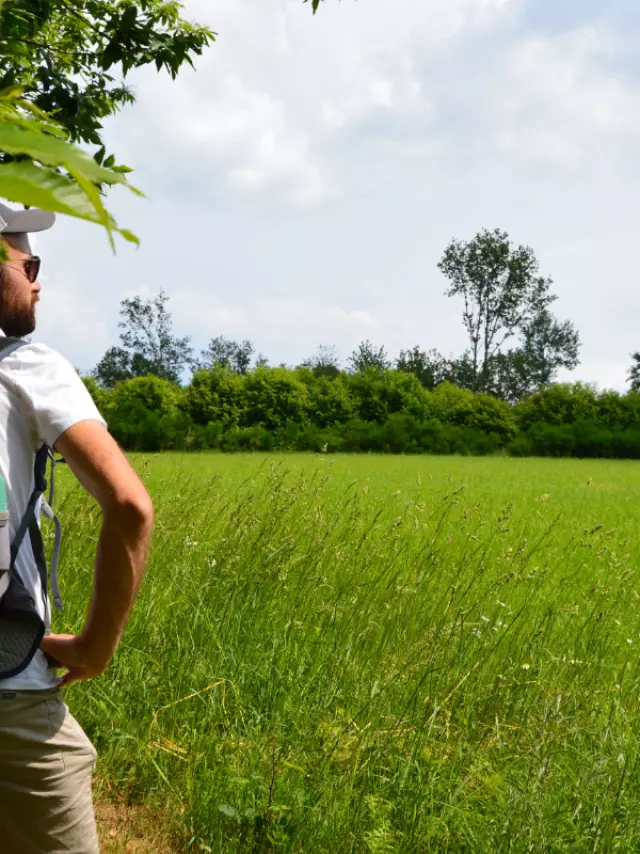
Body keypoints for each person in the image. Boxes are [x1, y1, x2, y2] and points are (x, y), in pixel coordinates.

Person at [0, 202, 154, 854]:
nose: (38, 277)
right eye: (24, 259)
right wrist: (94, 646)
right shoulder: (25, 368)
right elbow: (129, 505)